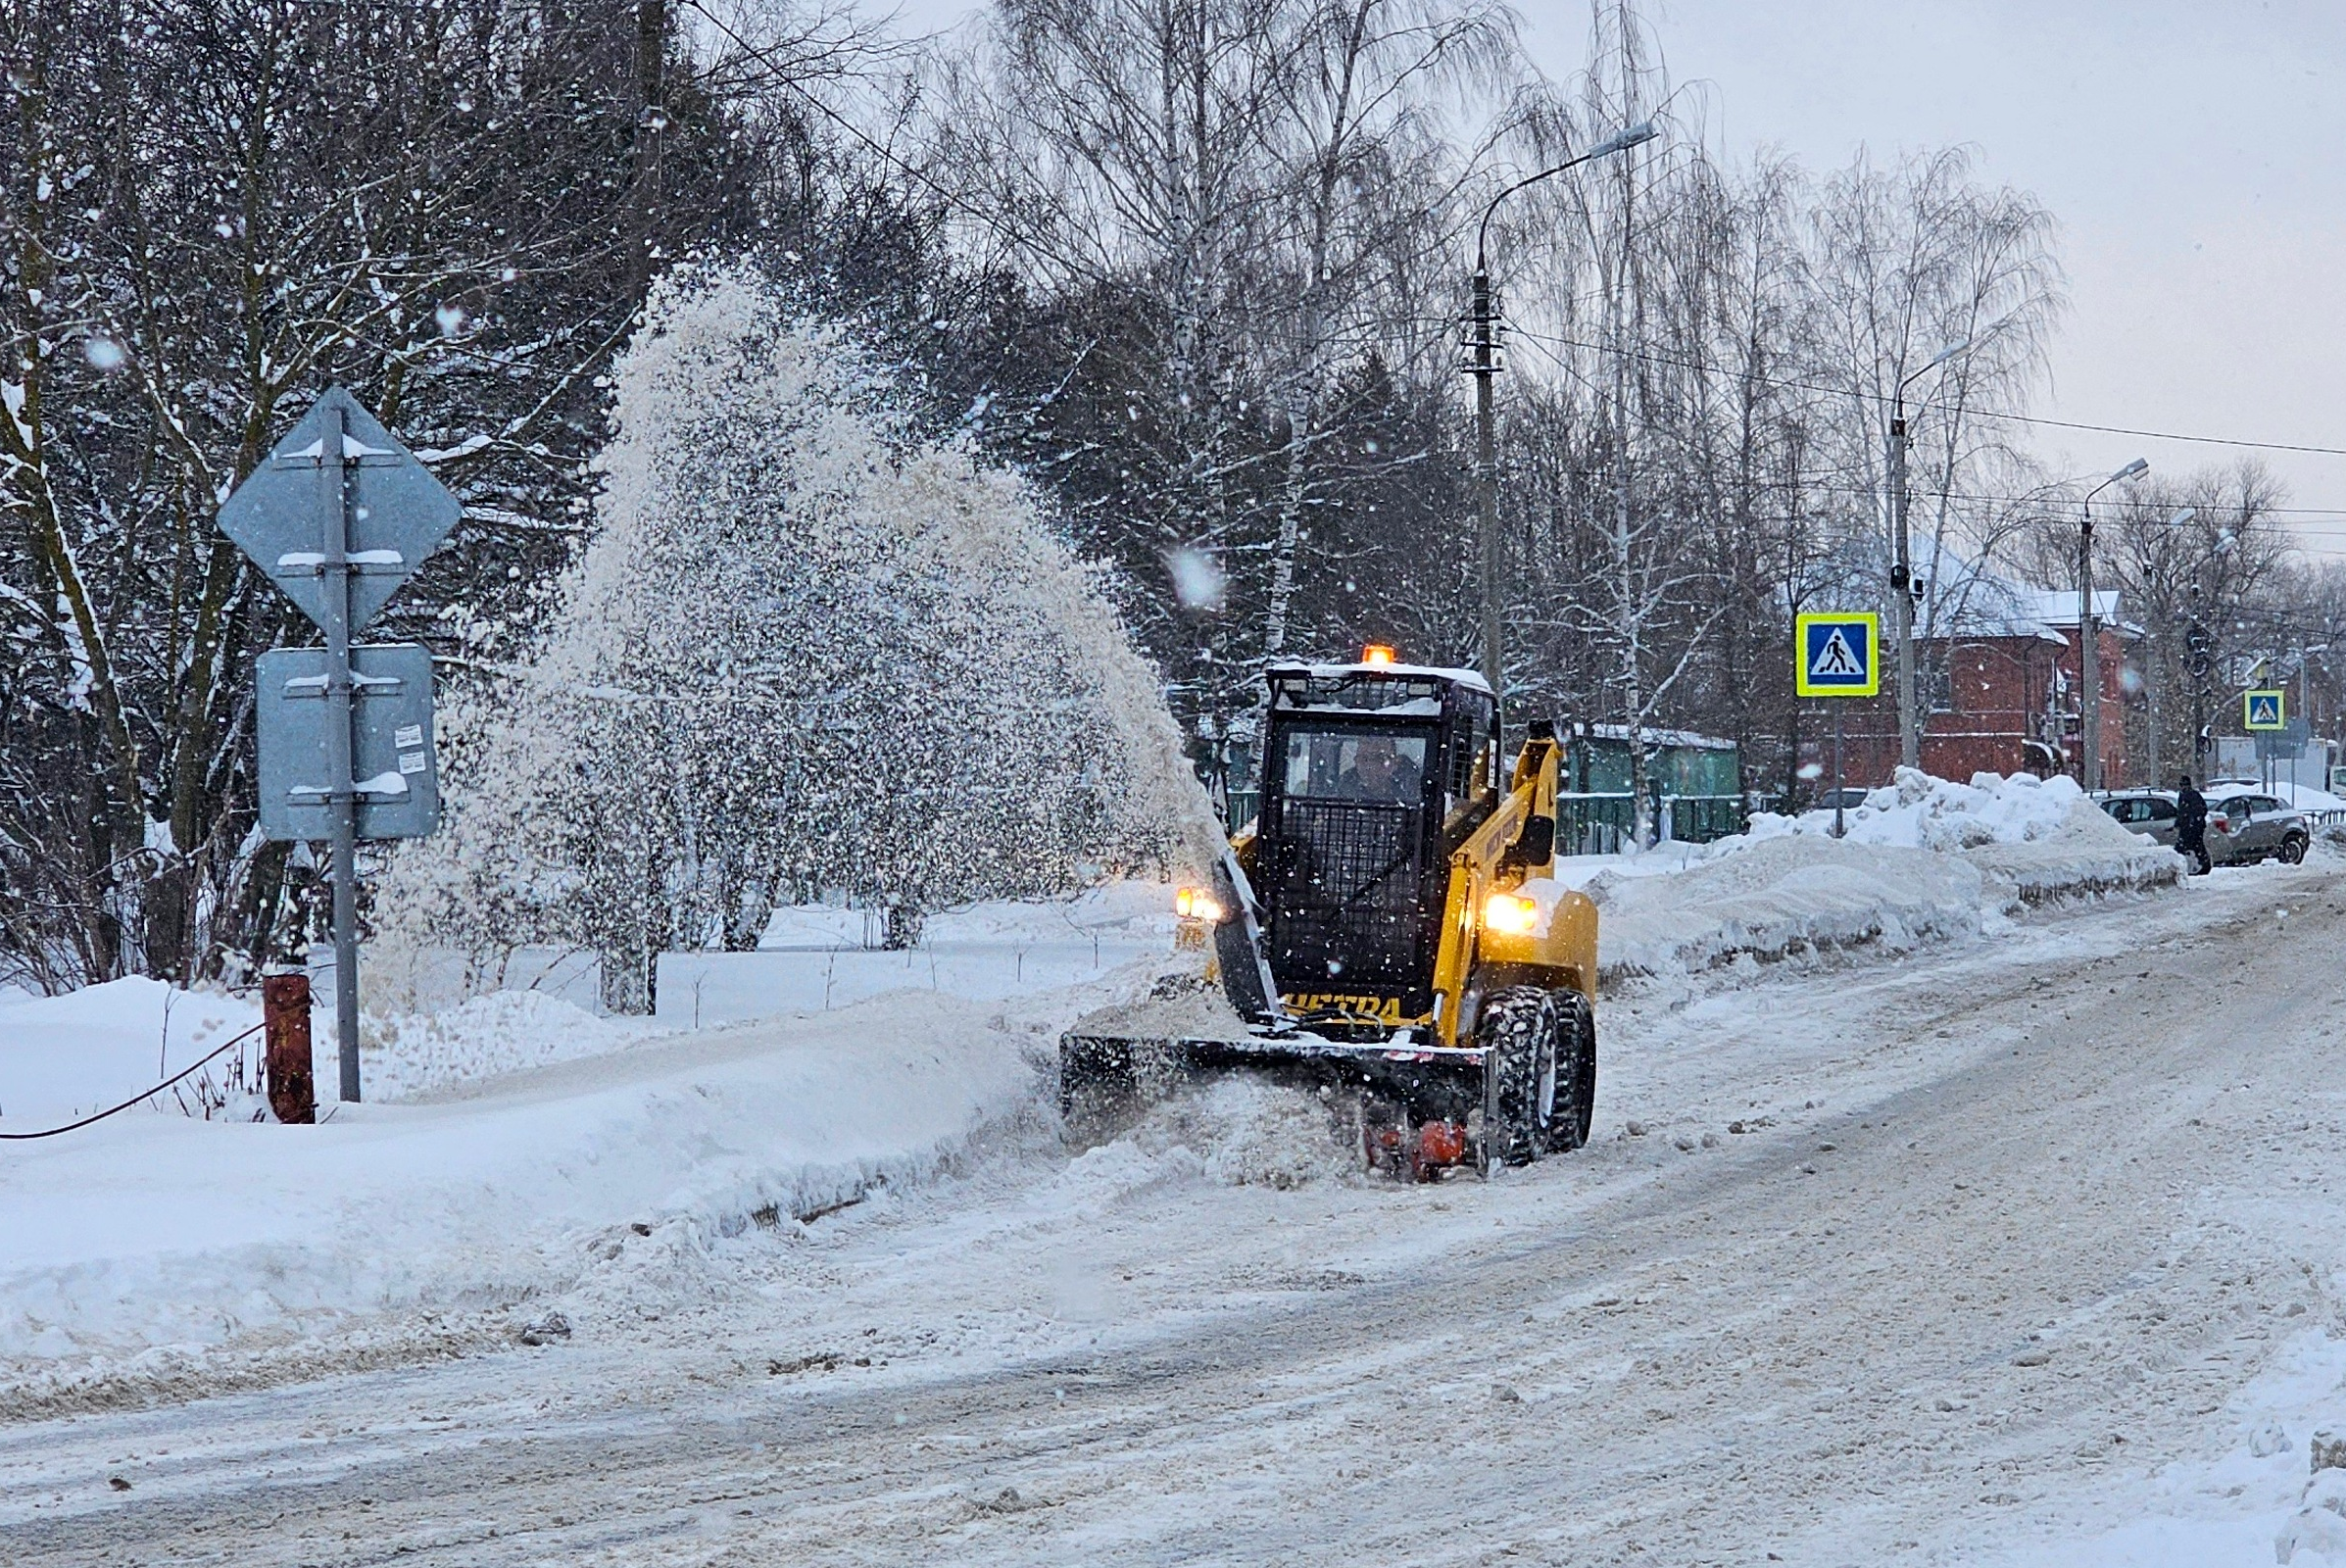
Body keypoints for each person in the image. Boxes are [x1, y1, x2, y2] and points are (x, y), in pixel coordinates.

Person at [1339, 735, 1422, 804]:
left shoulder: (1410, 789)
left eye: (1380, 758)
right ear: (1356, 761)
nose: (1370, 766)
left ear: (1395, 763)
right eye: (1364, 759)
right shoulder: (1341, 789)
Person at [2174, 774, 2211, 875]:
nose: (2182, 787)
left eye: (2183, 785)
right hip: (2189, 827)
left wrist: (2193, 822)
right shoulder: (2185, 796)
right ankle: (2198, 866)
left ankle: (2202, 866)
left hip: (2192, 828)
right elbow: (2182, 812)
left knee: (2192, 847)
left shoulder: (2192, 796)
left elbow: (2197, 811)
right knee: (2192, 847)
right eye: (2181, 785)